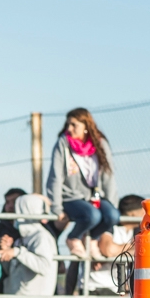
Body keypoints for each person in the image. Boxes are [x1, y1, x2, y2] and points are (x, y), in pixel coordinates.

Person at [48, 108, 117, 259]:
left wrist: (110, 202)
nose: (69, 128)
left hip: (95, 196)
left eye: (74, 125)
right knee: (92, 215)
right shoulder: (63, 144)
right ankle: (73, 237)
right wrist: (57, 208)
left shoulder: (100, 144)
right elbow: (55, 177)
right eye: (68, 125)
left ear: (86, 126)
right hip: (71, 197)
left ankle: (92, 239)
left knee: (112, 215)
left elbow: (108, 176)